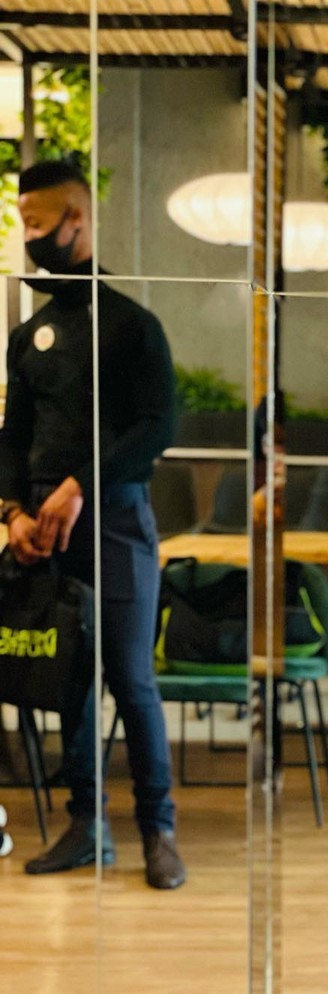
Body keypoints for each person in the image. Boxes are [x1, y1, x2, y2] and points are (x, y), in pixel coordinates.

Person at [0, 160, 185, 890]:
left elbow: (157, 426)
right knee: (68, 679)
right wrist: (13, 512)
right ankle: (87, 827)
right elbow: (12, 438)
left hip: (116, 523)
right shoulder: (30, 335)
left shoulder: (133, 326)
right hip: (42, 536)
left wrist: (81, 485)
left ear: (76, 220)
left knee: (131, 680)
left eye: (37, 223)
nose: (28, 236)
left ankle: (158, 831)